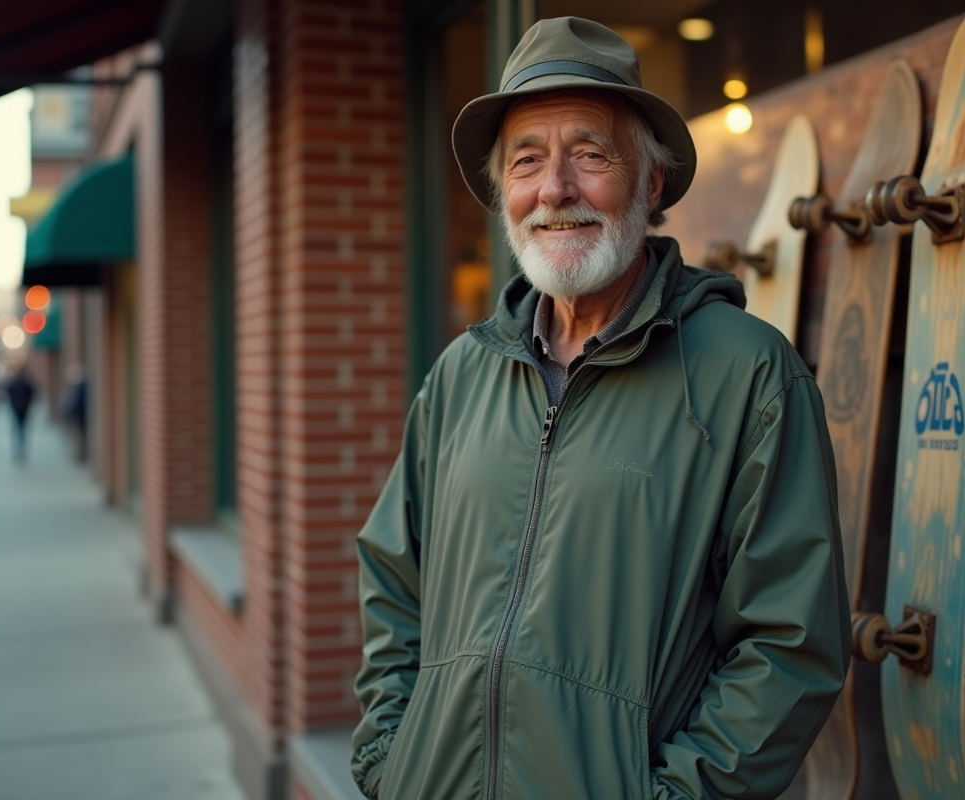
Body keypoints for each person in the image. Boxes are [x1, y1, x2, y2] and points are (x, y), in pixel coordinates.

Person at [352, 17, 849, 800]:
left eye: (590, 154)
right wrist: (390, 757)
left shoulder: (749, 375)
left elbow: (790, 645)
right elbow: (393, 574)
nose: (554, 189)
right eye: (526, 162)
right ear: (502, 193)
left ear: (650, 184)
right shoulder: (461, 374)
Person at [4, 365, 35, 463]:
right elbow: (32, 395)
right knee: (22, 430)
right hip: (23, 410)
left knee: (17, 430)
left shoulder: (14, 383)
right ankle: (21, 450)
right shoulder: (26, 384)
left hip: (17, 410)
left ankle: (18, 451)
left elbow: (9, 395)